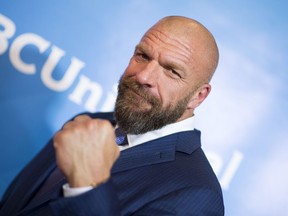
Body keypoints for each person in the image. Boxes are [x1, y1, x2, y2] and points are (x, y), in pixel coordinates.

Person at [0, 16, 224, 215]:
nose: (143, 76)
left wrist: (87, 186)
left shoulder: (198, 193)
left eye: (172, 71)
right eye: (142, 55)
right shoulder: (87, 123)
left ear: (198, 96)